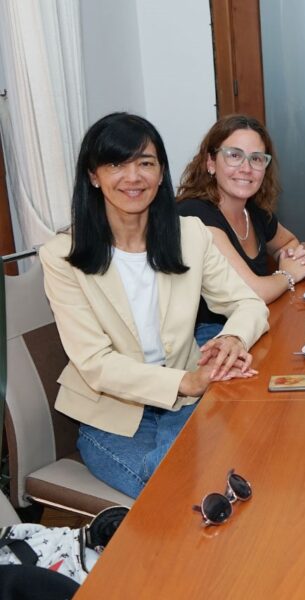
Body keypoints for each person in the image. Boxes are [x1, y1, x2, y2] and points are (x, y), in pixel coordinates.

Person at [40, 113, 269, 498]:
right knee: (181, 487)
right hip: (113, 414)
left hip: (184, 402)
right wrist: (187, 381)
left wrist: (232, 338)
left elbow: (248, 303)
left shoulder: (188, 235)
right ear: (94, 176)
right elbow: (95, 363)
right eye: (116, 164)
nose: (133, 177)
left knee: (235, 461)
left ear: (161, 173)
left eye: (145, 163)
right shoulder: (62, 256)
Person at [177, 114, 305, 345]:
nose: (246, 168)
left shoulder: (253, 211)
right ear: (210, 162)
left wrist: (288, 258)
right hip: (210, 334)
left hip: (255, 321)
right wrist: (288, 274)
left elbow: (288, 243)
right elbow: (253, 291)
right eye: (234, 155)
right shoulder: (195, 214)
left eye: (257, 159)